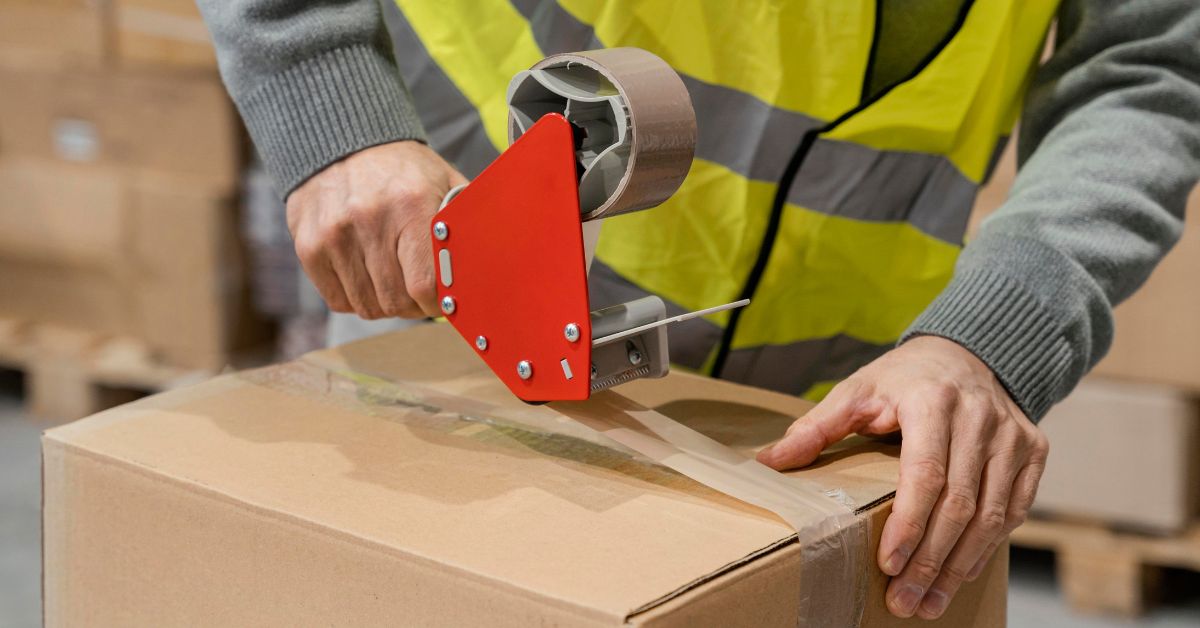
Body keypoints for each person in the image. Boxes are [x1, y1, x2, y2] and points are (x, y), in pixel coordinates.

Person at [197, 0, 1200, 620]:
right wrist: (332, 106)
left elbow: (1151, 67)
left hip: (816, 423)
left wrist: (992, 336)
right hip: (452, 313)